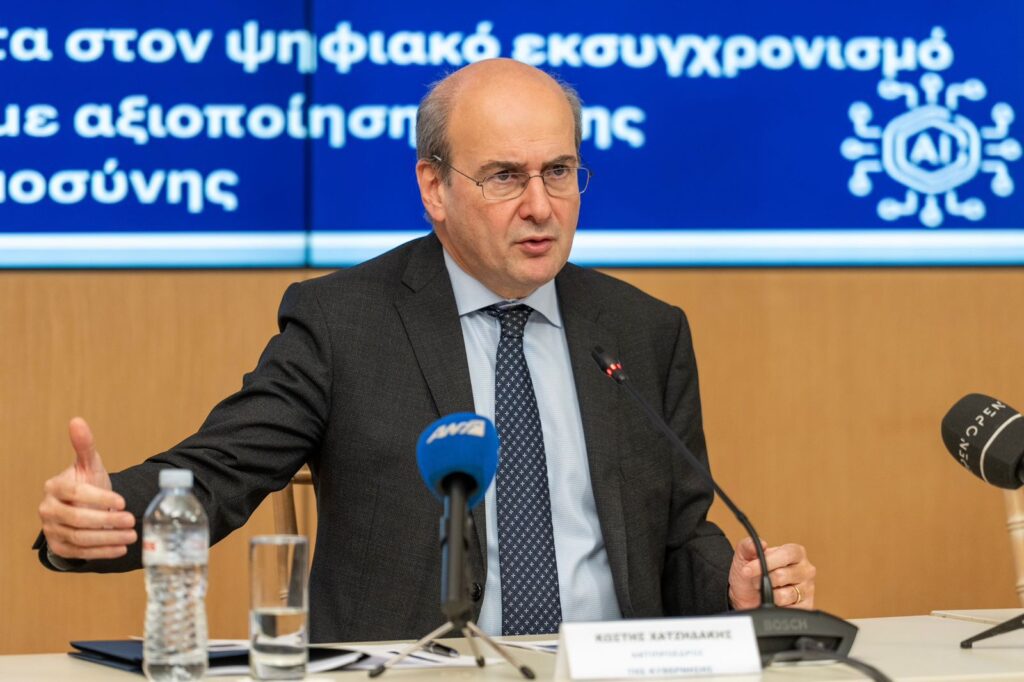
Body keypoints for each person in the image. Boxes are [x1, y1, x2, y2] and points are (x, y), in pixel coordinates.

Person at [36, 59, 816, 642]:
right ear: (434, 188)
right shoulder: (346, 323)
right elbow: (220, 474)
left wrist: (735, 585)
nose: (541, 206)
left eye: (559, 172)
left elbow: (679, 536)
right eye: (505, 176)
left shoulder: (643, 330)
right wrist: (106, 518)